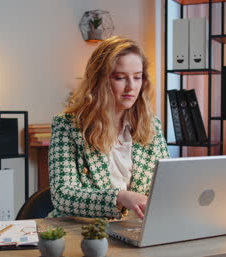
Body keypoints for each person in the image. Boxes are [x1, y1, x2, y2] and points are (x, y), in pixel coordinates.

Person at [47, 36, 169, 220]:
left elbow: (165, 184)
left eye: (137, 77)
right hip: (81, 233)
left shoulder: (151, 126)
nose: (131, 87)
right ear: (99, 80)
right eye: (120, 78)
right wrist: (119, 198)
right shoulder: (68, 126)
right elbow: (63, 196)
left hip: (133, 231)